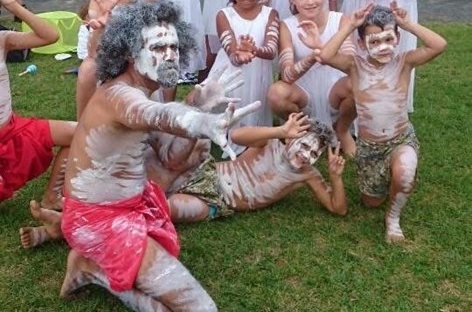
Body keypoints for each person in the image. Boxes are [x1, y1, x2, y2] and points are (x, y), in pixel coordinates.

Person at [56, 0, 258, 312]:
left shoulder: (145, 92)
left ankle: (90, 264)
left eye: (174, 46)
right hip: (96, 219)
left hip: (129, 207)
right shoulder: (119, 95)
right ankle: (92, 269)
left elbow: (171, 158)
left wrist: (196, 103)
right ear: (130, 53)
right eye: (158, 47)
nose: (169, 55)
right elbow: (160, 116)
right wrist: (201, 121)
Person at [26, 111, 348, 243]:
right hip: (204, 172)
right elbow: (239, 134)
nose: (305, 156)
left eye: (314, 154)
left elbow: (338, 208)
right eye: (304, 145)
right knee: (137, 172)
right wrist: (280, 130)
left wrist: (334, 177)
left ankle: (61, 229)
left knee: (164, 210)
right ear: (293, 136)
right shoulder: (272, 143)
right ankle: (68, 209)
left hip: (217, 201)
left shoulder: (307, 175)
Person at [318, 3, 447, 243]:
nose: (383, 47)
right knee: (370, 202)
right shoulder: (354, 66)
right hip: (371, 147)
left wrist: (408, 24)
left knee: (405, 172)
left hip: (401, 138)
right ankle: (389, 180)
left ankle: (393, 218)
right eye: (374, 41)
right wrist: (349, 27)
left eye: (388, 38)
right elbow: (325, 56)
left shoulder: (404, 62)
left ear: (398, 38)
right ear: (361, 43)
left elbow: (439, 45)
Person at [0, 0, 76, 212]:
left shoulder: (2, 39)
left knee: (78, 133)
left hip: (11, 130)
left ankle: (52, 197)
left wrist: (13, 6)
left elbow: (50, 36)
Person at [268, 0, 356, 156]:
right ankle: (303, 129)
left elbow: (352, 66)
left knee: (358, 83)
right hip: (303, 93)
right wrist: (311, 57)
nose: (310, 2)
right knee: (276, 93)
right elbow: (286, 74)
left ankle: (342, 129)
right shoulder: (287, 26)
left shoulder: (341, 20)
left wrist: (321, 49)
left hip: (335, 88)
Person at [76, 0, 158, 117]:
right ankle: (81, 123)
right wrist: (100, 26)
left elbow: (150, 36)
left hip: (138, 55)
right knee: (88, 68)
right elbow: (93, 52)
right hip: (110, 57)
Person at [207, 0, 279, 154]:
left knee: (255, 107)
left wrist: (255, 50)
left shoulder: (270, 14)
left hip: (258, 74)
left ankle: (255, 135)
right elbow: (231, 52)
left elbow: (271, 51)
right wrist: (239, 55)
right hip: (232, 75)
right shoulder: (224, 15)